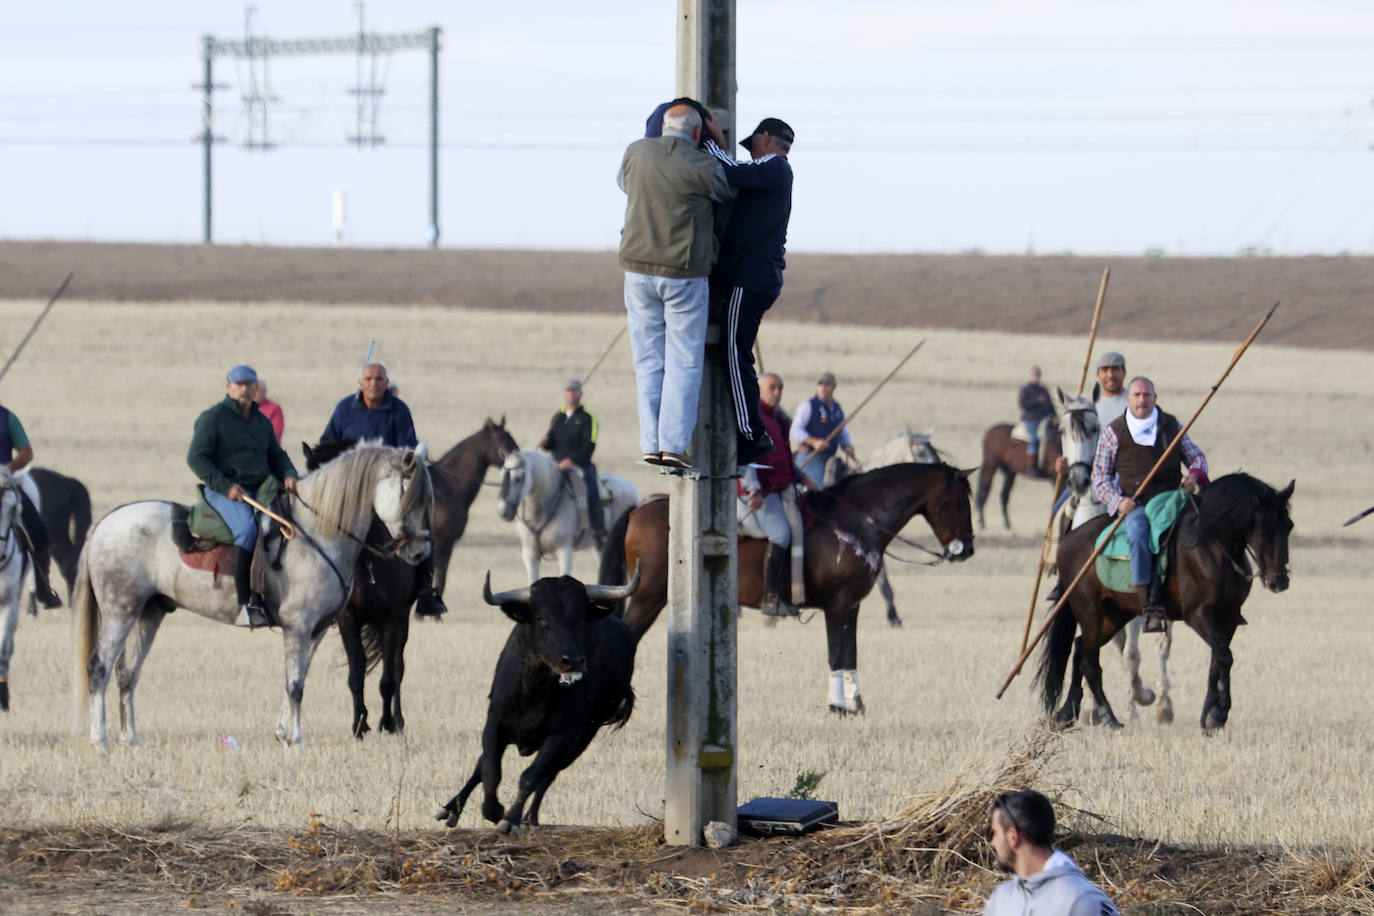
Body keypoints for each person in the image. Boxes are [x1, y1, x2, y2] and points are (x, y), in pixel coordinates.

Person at [617, 102, 734, 471]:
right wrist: (720, 142)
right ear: (696, 133)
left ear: (664, 125)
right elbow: (728, 186)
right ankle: (673, 444)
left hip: (636, 271)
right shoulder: (701, 164)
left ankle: (650, 443)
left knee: (648, 361)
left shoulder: (635, 152)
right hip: (683, 274)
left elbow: (624, 182)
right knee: (683, 362)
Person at [703, 116, 795, 465]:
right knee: (734, 349)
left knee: (733, 350)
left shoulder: (775, 168)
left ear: (766, 138)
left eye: (753, 144)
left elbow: (731, 171)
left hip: (752, 278)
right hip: (756, 277)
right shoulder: (773, 173)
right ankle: (750, 430)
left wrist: (711, 141)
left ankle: (751, 433)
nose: (752, 153)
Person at [321, 360, 445, 618]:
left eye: (379, 379)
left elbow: (407, 449)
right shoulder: (345, 409)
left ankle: (425, 591)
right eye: (368, 379)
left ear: (387, 383)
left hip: (388, 486)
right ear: (360, 383)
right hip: (351, 488)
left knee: (420, 525)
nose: (373, 384)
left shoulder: (399, 410)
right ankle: (324, 592)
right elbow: (328, 443)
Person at [1091, 376, 1208, 633]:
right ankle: (1149, 604)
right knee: (1137, 534)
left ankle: (1216, 593)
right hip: (1137, 504)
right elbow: (1099, 476)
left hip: (1174, 500)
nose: (1142, 400)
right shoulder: (1113, 432)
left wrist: (1194, 477)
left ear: (1155, 398)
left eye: (1147, 395)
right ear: (1128, 399)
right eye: (1137, 395)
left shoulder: (1172, 426)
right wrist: (1118, 501)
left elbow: (1196, 457)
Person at [187, 365, 300, 627]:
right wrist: (225, 486)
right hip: (225, 491)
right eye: (239, 384)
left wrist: (290, 474)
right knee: (248, 531)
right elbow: (196, 458)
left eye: (250, 384)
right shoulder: (213, 418)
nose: (246, 388)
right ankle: (246, 602)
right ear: (228, 387)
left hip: (262, 489)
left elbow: (277, 456)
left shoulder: (262, 422)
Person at [984, 789, 1120, 915]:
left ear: (1014, 836)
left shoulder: (1082, 901)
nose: (992, 843)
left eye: (994, 833)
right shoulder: (1001, 899)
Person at [737, 373, 803, 617]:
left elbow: (783, 456)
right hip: (759, 493)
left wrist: (800, 477)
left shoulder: (775, 419)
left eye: (780, 388)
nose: (777, 392)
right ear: (759, 389)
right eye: (772, 388)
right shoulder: (752, 418)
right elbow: (747, 456)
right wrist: (753, 489)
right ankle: (771, 598)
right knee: (781, 534)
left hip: (780, 488)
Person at [0, 402, 62, 608]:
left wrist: (7, 469)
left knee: (37, 528)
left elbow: (26, 453)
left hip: (4, 484)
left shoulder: (8, 418)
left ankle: (43, 586)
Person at [538, 379, 606, 549]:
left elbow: (590, 444)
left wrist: (572, 460)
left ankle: (598, 528)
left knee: (591, 491)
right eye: (568, 391)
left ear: (580, 394)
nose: (571, 394)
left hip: (580, 466)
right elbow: (552, 444)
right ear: (563, 394)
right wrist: (546, 442)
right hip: (556, 465)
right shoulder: (558, 417)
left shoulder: (588, 417)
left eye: (574, 391)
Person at [790, 371, 856, 490]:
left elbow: (842, 431)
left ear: (834, 387)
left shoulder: (837, 409)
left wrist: (847, 445)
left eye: (827, 385)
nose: (823, 388)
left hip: (829, 457)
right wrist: (813, 442)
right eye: (820, 384)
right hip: (810, 456)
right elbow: (795, 430)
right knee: (818, 491)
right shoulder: (809, 406)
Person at [1019, 366, 1055, 477]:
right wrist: (1036, 401)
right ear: (1030, 375)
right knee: (1034, 439)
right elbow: (1023, 404)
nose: (1036, 376)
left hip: (1044, 420)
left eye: (1038, 374)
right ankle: (1031, 467)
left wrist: (1055, 417)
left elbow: (1050, 405)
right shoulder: (1026, 389)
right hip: (1031, 419)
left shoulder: (1043, 390)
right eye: (1034, 374)